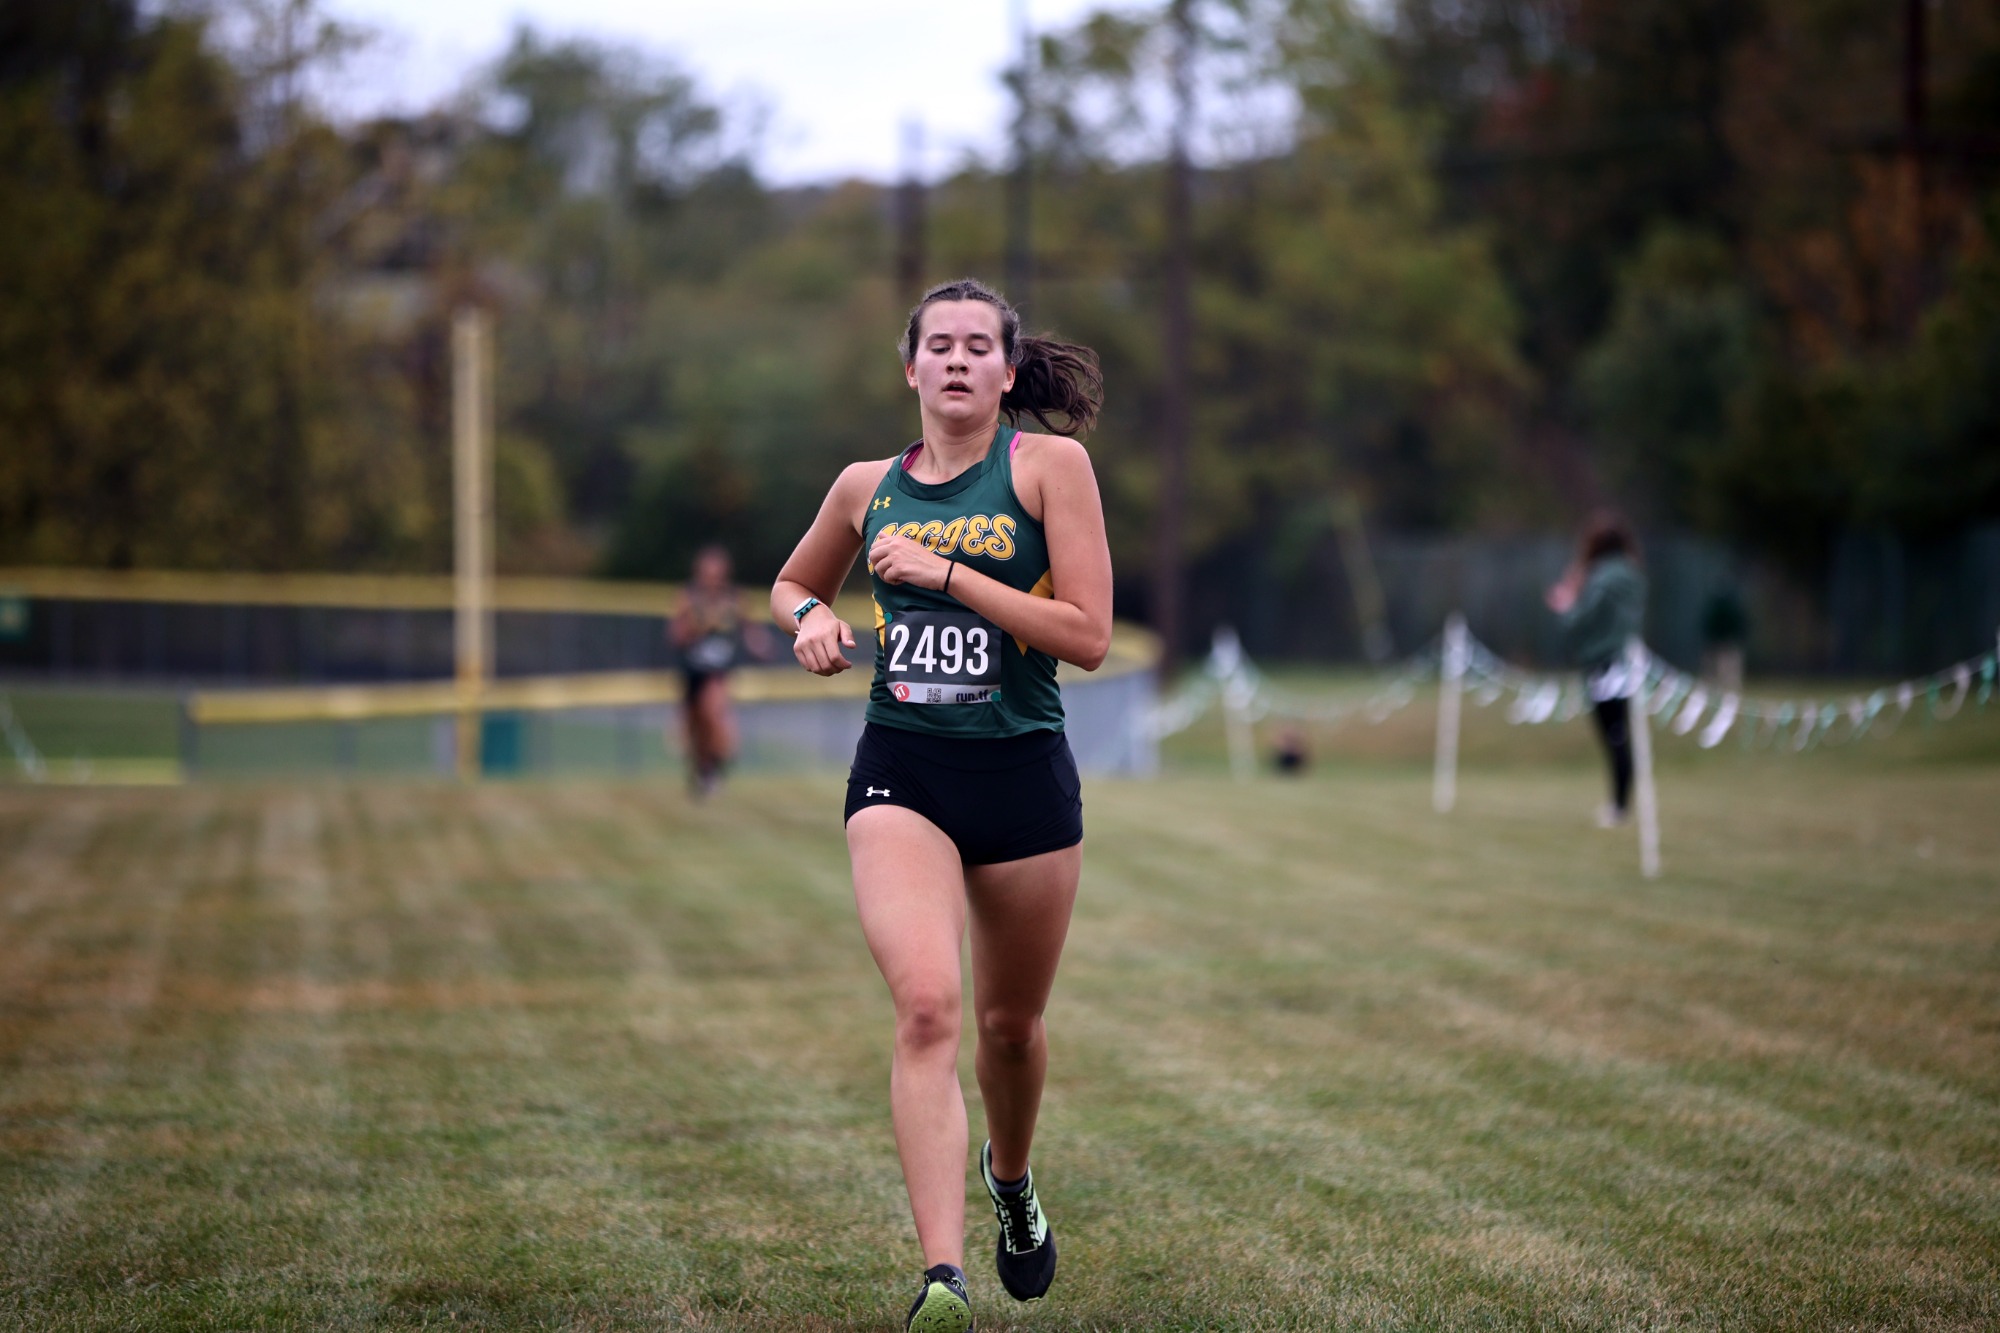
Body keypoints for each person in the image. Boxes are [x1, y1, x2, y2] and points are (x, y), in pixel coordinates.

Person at [770, 277, 1109, 1333]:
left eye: (978, 346)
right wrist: (810, 618)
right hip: (902, 768)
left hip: (1019, 773)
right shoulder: (863, 485)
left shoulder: (1048, 468)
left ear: (1008, 372)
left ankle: (1010, 1183)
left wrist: (949, 574)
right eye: (939, 345)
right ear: (909, 368)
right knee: (926, 1005)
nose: (958, 360)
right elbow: (787, 583)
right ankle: (940, 1281)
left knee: (1009, 1028)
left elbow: (1088, 636)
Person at [1545, 512, 1648, 827]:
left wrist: (1565, 603)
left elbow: (1579, 622)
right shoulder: (1633, 575)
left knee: (1613, 736)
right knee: (1624, 734)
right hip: (1631, 662)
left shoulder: (1600, 578)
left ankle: (1619, 806)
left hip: (1603, 663)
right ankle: (1623, 802)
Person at [673, 545, 768, 796]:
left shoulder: (734, 598)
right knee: (694, 727)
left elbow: (750, 629)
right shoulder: (689, 598)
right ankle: (702, 767)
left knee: (713, 711)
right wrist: (696, 627)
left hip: (718, 671)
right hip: (692, 670)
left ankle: (717, 763)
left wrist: (760, 645)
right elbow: (676, 635)